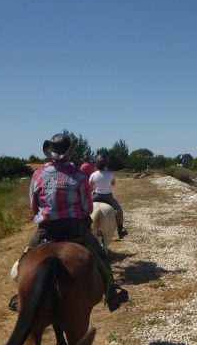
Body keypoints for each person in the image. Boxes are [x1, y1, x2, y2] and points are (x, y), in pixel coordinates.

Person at [8, 133, 127, 311]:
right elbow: (87, 207)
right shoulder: (79, 177)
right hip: (74, 229)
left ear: (50, 153)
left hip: (46, 231)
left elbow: (34, 207)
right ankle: (111, 295)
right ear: (70, 153)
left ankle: (21, 296)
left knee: (21, 266)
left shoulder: (38, 175)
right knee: (102, 257)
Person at [90, 154, 128, 239]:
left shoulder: (93, 175)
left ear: (96, 164)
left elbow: (90, 186)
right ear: (105, 164)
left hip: (95, 196)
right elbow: (113, 183)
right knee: (119, 211)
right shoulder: (110, 174)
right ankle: (120, 230)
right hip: (108, 197)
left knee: (84, 209)